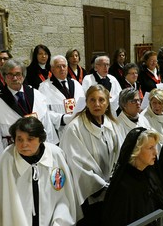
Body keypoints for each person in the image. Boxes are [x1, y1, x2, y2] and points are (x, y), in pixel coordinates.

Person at [0, 117, 80, 226]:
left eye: (30, 139)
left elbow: (64, 197)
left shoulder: (55, 155)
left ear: (40, 139)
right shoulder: (6, 159)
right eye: (19, 139)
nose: (24, 144)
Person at [60, 85, 123, 225]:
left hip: (112, 192)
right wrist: (100, 186)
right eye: (92, 100)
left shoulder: (112, 124)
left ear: (107, 103)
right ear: (86, 103)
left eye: (101, 100)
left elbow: (120, 154)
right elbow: (75, 163)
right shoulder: (74, 128)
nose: (97, 104)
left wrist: (115, 180)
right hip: (89, 196)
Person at [0, 58, 58, 167]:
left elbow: (47, 126)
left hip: (39, 151)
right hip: (12, 153)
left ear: (23, 75)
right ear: (4, 77)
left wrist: (51, 150)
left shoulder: (36, 95)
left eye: (18, 74)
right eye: (10, 74)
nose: (14, 78)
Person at [101, 127, 163, 226]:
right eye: (150, 148)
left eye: (155, 147)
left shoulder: (151, 176)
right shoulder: (123, 188)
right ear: (136, 151)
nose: (155, 153)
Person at [38, 55, 85, 139]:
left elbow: (84, 104)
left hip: (78, 127)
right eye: (58, 66)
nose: (62, 69)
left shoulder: (76, 84)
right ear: (52, 69)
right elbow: (44, 112)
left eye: (64, 66)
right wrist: (63, 118)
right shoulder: (44, 87)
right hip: (59, 129)